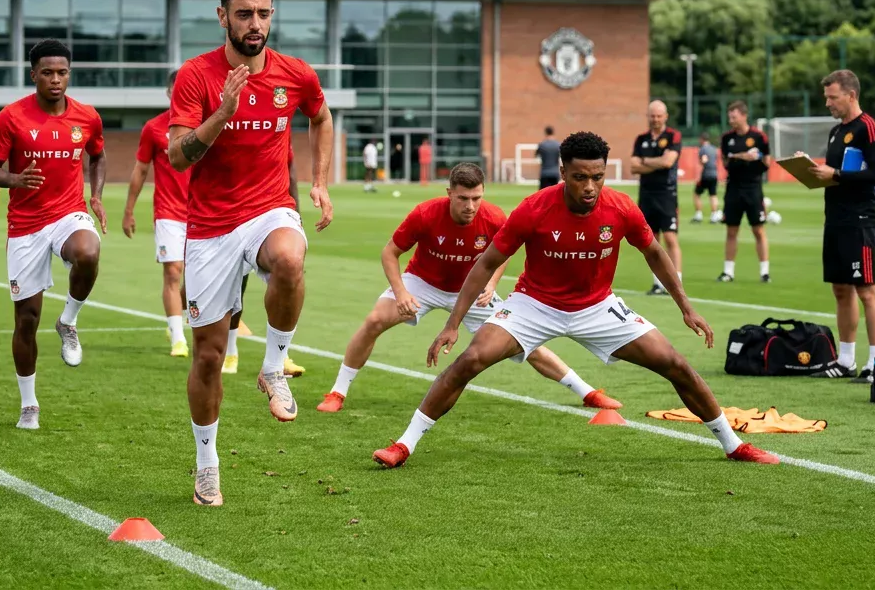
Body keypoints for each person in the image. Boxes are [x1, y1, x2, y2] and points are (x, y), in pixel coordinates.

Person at [371, 131, 777, 469]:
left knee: (675, 364)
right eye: (580, 177)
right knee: (471, 360)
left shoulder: (619, 208)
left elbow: (654, 252)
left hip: (598, 307)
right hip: (534, 305)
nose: (589, 187)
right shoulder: (534, 209)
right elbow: (486, 263)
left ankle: (732, 445)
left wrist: (685, 306)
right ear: (562, 171)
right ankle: (404, 444)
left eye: (597, 177)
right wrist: (453, 324)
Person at [167, 0, 334, 506]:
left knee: (290, 258)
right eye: (244, 14)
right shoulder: (195, 77)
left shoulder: (295, 74)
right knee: (209, 357)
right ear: (223, 17)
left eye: (263, 13)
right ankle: (207, 463)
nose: (255, 24)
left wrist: (320, 183)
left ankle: (272, 366)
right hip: (211, 225)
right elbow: (176, 156)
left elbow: (321, 115)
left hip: (269, 208)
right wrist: (222, 114)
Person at [317, 162, 621, 413]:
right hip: (422, 282)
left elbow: (505, 253)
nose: (471, 206)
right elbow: (389, 253)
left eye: (476, 198)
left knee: (527, 341)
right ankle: (337, 393)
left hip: (472, 292)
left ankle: (587, 393)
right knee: (374, 321)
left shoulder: (494, 218)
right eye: (463, 199)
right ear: (450, 193)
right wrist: (401, 293)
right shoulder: (425, 214)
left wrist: (491, 283)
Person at [0, 39, 107, 430]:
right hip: (26, 226)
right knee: (26, 320)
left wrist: (97, 195)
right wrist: (15, 179)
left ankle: (68, 321)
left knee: (88, 251)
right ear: (33, 73)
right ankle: (28, 404)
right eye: (48, 72)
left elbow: (98, 155)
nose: (56, 80)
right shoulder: (12, 117)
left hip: (68, 213)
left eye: (63, 72)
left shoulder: (86, 117)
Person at [804, 71, 875, 382]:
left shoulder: (870, 129)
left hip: (861, 221)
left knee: (867, 289)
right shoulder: (836, 131)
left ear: (851, 95)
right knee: (841, 289)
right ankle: (846, 360)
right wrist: (812, 170)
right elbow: (836, 172)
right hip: (836, 219)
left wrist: (835, 175)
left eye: (832, 97)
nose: (827, 103)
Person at [124, 69, 193, 358]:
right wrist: (129, 210)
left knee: (197, 280)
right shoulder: (154, 128)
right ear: (169, 93)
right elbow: (141, 169)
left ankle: (179, 312)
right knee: (172, 271)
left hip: (205, 213)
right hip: (168, 212)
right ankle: (178, 337)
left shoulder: (205, 125)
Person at [225, 149, 307, 378]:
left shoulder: (278, 128)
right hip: (233, 217)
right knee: (235, 289)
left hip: (272, 218)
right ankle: (230, 351)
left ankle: (280, 358)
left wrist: (296, 219)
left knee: (286, 278)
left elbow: (290, 172)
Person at [631, 100, 683, 295]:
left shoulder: (673, 135)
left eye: (659, 116)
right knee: (651, 240)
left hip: (667, 193)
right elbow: (633, 166)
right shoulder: (641, 138)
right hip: (646, 194)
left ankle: (677, 282)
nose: (655, 119)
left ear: (665, 117)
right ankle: (657, 283)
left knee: (670, 237)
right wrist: (657, 162)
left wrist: (646, 161)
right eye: (652, 115)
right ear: (648, 117)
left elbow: (668, 162)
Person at [718, 101, 771, 283]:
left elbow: (768, 162)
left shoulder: (759, 137)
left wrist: (757, 157)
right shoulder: (726, 138)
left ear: (743, 116)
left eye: (734, 117)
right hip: (733, 188)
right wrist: (742, 156)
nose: (731, 120)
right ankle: (728, 272)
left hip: (753, 188)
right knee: (731, 230)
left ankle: (765, 272)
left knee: (758, 230)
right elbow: (725, 162)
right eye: (729, 117)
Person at [692, 131, 719, 223]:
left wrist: (698, 176)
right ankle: (714, 215)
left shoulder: (703, 149)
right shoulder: (714, 148)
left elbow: (704, 160)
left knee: (696, 194)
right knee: (713, 195)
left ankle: (698, 215)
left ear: (701, 139)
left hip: (705, 175)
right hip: (714, 174)